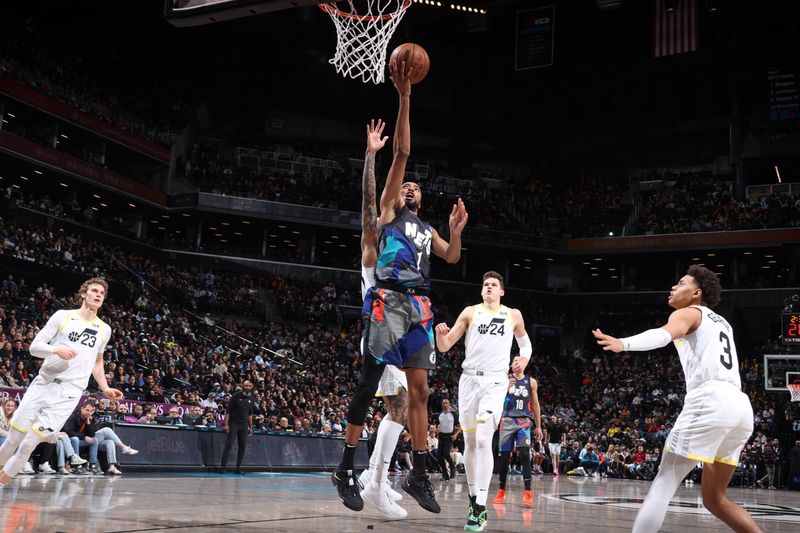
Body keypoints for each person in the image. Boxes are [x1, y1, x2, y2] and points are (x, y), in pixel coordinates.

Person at [332, 58, 468, 516]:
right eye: (404, 185)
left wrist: (457, 229)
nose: (409, 187)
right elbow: (403, 153)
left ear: (422, 199)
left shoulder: (426, 229)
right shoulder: (389, 214)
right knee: (371, 382)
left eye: (415, 188)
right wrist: (405, 96)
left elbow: (451, 257)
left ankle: (418, 471)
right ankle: (346, 466)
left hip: (420, 306)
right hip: (388, 298)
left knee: (421, 393)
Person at [592, 265, 762, 533]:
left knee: (664, 481)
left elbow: (662, 335)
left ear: (696, 292)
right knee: (714, 499)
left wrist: (623, 343)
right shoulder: (723, 322)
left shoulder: (689, 312)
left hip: (711, 399)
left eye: (681, 283)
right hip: (740, 408)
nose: (673, 287)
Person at [0, 278, 123, 485]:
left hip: (69, 392)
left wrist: (105, 387)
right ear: (83, 293)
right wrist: (56, 349)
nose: (99, 294)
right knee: (13, 438)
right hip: (43, 383)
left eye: (102, 292)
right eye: (94, 290)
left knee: (29, 443)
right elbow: (34, 347)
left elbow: (98, 362)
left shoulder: (104, 329)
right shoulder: (63, 316)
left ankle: (2, 483)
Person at [435, 271, 532, 532]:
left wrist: (523, 360)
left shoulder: (513, 315)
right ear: (481, 291)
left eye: (493, 285)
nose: (488, 287)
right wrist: (439, 334)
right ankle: (472, 499)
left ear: (501, 292)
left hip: (496, 382)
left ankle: (480, 506)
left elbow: (526, 346)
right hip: (468, 382)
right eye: (485, 284)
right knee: (469, 443)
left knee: (482, 438)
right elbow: (445, 346)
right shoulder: (470, 312)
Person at [354, 117, 408, 520]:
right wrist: (372, 156)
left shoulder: (404, 249)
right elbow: (369, 206)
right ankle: (375, 481)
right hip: (380, 335)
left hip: (396, 334)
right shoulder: (374, 246)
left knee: (400, 409)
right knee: (400, 409)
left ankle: (374, 478)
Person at [493, 355, 542, 508]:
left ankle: (528, 493)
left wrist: (538, 426)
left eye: (520, 360)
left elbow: (535, 404)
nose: (517, 363)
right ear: (511, 364)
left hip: (524, 422)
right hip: (507, 420)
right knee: (505, 457)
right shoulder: (505, 379)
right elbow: (494, 398)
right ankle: (501, 490)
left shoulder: (531, 382)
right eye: (514, 361)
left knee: (526, 455)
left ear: (525, 364)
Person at [219, 380, 256, 475]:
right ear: (243, 386)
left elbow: (250, 414)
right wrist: (226, 424)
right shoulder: (235, 396)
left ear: (251, 387)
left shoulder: (252, 398)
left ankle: (238, 468)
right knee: (229, 445)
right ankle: (223, 467)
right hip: (234, 423)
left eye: (249, 386)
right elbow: (228, 412)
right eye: (246, 385)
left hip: (244, 425)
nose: (247, 387)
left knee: (242, 446)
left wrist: (250, 427)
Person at [437, 398, 461, 481]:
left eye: (446, 403)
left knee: (446, 454)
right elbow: (438, 426)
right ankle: (445, 474)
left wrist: (456, 434)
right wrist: (437, 434)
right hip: (441, 436)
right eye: (443, 403)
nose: (445, 404)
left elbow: (460, 426)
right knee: (439, 456)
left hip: (449, 436)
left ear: (449, 404)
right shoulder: (439, 415)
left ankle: (452, 467)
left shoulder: (453, 414)